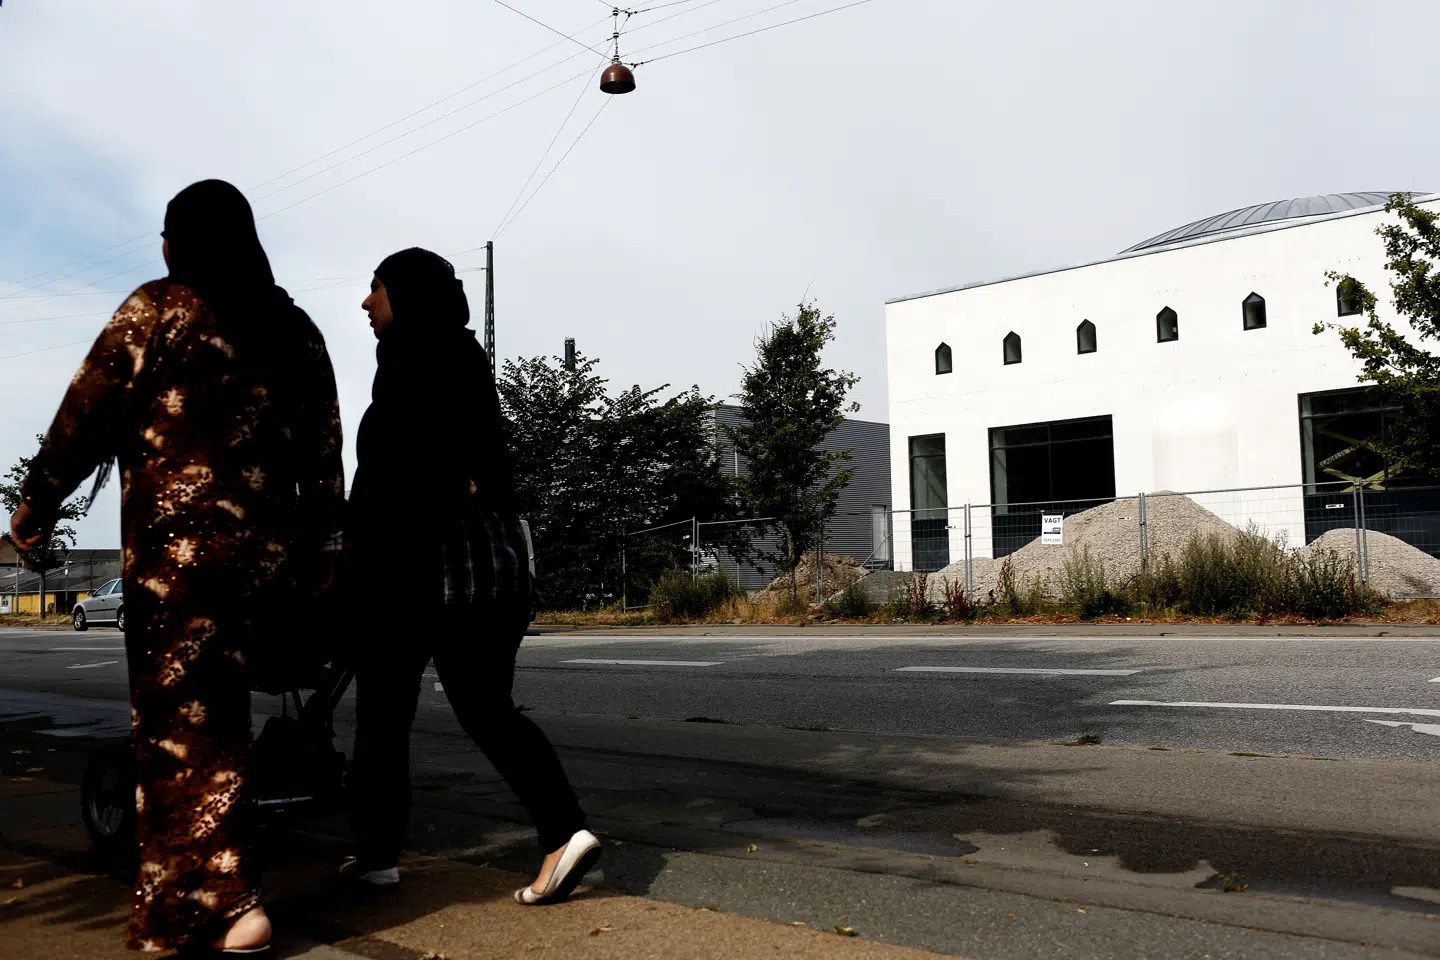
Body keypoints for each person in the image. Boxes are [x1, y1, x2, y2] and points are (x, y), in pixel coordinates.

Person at [8, 180, 345, 954]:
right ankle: (202, 898)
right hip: (268, 561)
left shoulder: (156, 309)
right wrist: (326, 545)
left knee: (178, 729)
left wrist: (34, 505)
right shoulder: (295, 330)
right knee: (217, 717)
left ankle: (223, 902)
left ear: (177, 242)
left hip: (176, 561)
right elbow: (325, 450)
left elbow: (84, 414)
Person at [343, 247, 598, 904]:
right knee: (483, 709)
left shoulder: (409, 365)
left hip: (425, 571)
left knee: (384, 712)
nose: (366, 302)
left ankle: (379, 854)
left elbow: (402, 480)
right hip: (493, 567)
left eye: (377, 289)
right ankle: (561, 831)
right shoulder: (464, 362)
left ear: (407, 294)